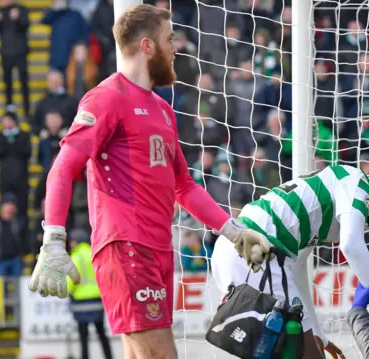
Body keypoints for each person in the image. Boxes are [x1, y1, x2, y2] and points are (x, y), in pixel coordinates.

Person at [27, 5, 269, 359]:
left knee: (141, 353)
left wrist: (233, 232)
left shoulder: (162, 109)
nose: (176, 46)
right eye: (169, 38)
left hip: (158, 248)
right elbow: (62, 169)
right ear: (146, 45)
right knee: (159, 354)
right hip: (126, 245)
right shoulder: (106, 97)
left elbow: (183, 187)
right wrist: (53, 240)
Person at [212, 165, 369, 359]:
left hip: (241, 250)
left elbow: (296, 273)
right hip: (257, 249)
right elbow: (351, 245)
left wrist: (316, 333)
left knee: (294, 352)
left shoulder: (323, 208)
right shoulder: (357, 186)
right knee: (305, 354)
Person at [67, 229, 113, 359]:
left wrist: (68, 290)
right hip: (98, 299)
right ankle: (109, 356)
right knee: (101, 333)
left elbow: (71, 280)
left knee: (83, 335)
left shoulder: (76, 256)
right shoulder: (94, 253)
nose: (70, 244)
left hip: (81, 301)